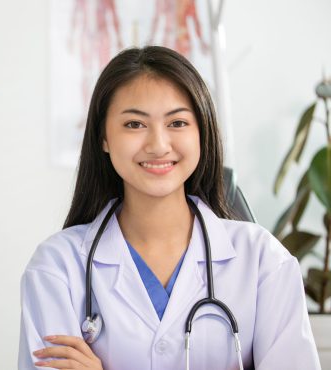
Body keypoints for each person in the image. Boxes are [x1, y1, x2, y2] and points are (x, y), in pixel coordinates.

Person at [18, 46, 320, 370]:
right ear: (103, 137)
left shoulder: (263, 262)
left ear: (201, 132)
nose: (159, 145)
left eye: (177, 122)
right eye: (134, 124)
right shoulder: (57, 269)